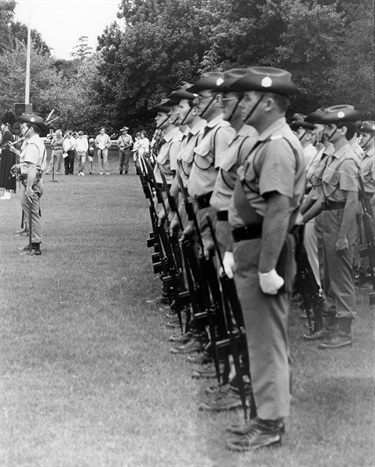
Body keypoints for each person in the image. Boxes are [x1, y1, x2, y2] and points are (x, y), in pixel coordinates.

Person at [225, 67, 305, 451]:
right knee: (260, 339)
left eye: (247, 98)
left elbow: (277, 209)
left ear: (268, 101)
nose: (241, 104)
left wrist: (268, 266)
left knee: (266, 340)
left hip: (263, 248)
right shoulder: (266, 140)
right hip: (253, 246)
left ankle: (270, 422)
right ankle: (266, 416)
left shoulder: (276, 144)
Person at [8, 114, 48, 256]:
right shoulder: (35, 143)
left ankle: (35, 246)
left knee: (32, 214)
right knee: (31, 214)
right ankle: (32, 243)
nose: (22, 129)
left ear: (31, 129)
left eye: (24, 127)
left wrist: (29, 188)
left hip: (31, 183)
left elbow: (32, 168)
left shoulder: (32, 144)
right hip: (31, 181)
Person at [0, 112, 16, 200]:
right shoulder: (6, 134)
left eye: (2, 125)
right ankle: (6, 192)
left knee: (8, 173)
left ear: (6, 125)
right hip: (5, 156)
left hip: (8, 157)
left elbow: (7, 147)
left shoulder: (8, 134)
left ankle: (7, 192)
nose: (1, 127)